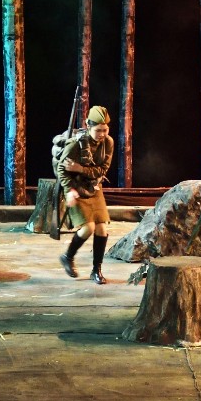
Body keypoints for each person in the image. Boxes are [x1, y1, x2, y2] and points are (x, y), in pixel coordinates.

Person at [57, 106, 115, 284]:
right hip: (76, 188)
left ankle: (96, 270)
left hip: (93, 188)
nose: (102, 134)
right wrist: (69, 190)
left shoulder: (108, 143)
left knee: (102, 228)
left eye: (105, 130)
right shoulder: (76, 144)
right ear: (88, 126)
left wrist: (80, 169)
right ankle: (68, 257)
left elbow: (102, 170)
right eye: (98, 130)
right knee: (88, 228)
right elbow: (61, 169)